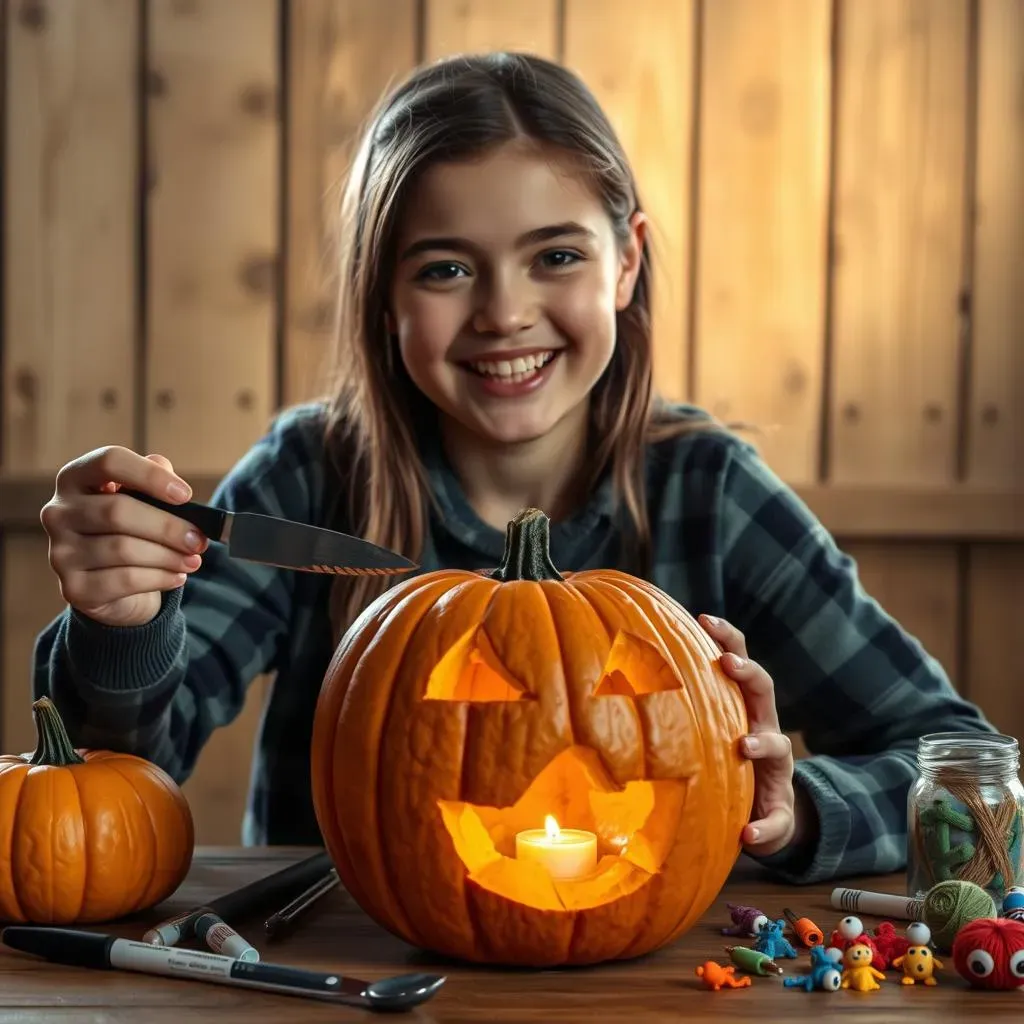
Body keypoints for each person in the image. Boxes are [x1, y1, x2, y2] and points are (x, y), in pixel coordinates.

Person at [33, 51, 992, 883]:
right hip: (338, 976)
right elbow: (122, 769)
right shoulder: (307, 474)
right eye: (446, 269)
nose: (503, 312)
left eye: (556, 256)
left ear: (625, 262)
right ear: (383, 295)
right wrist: (122, 625)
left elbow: (970, 770)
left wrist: (800, 809)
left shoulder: (711, 492)